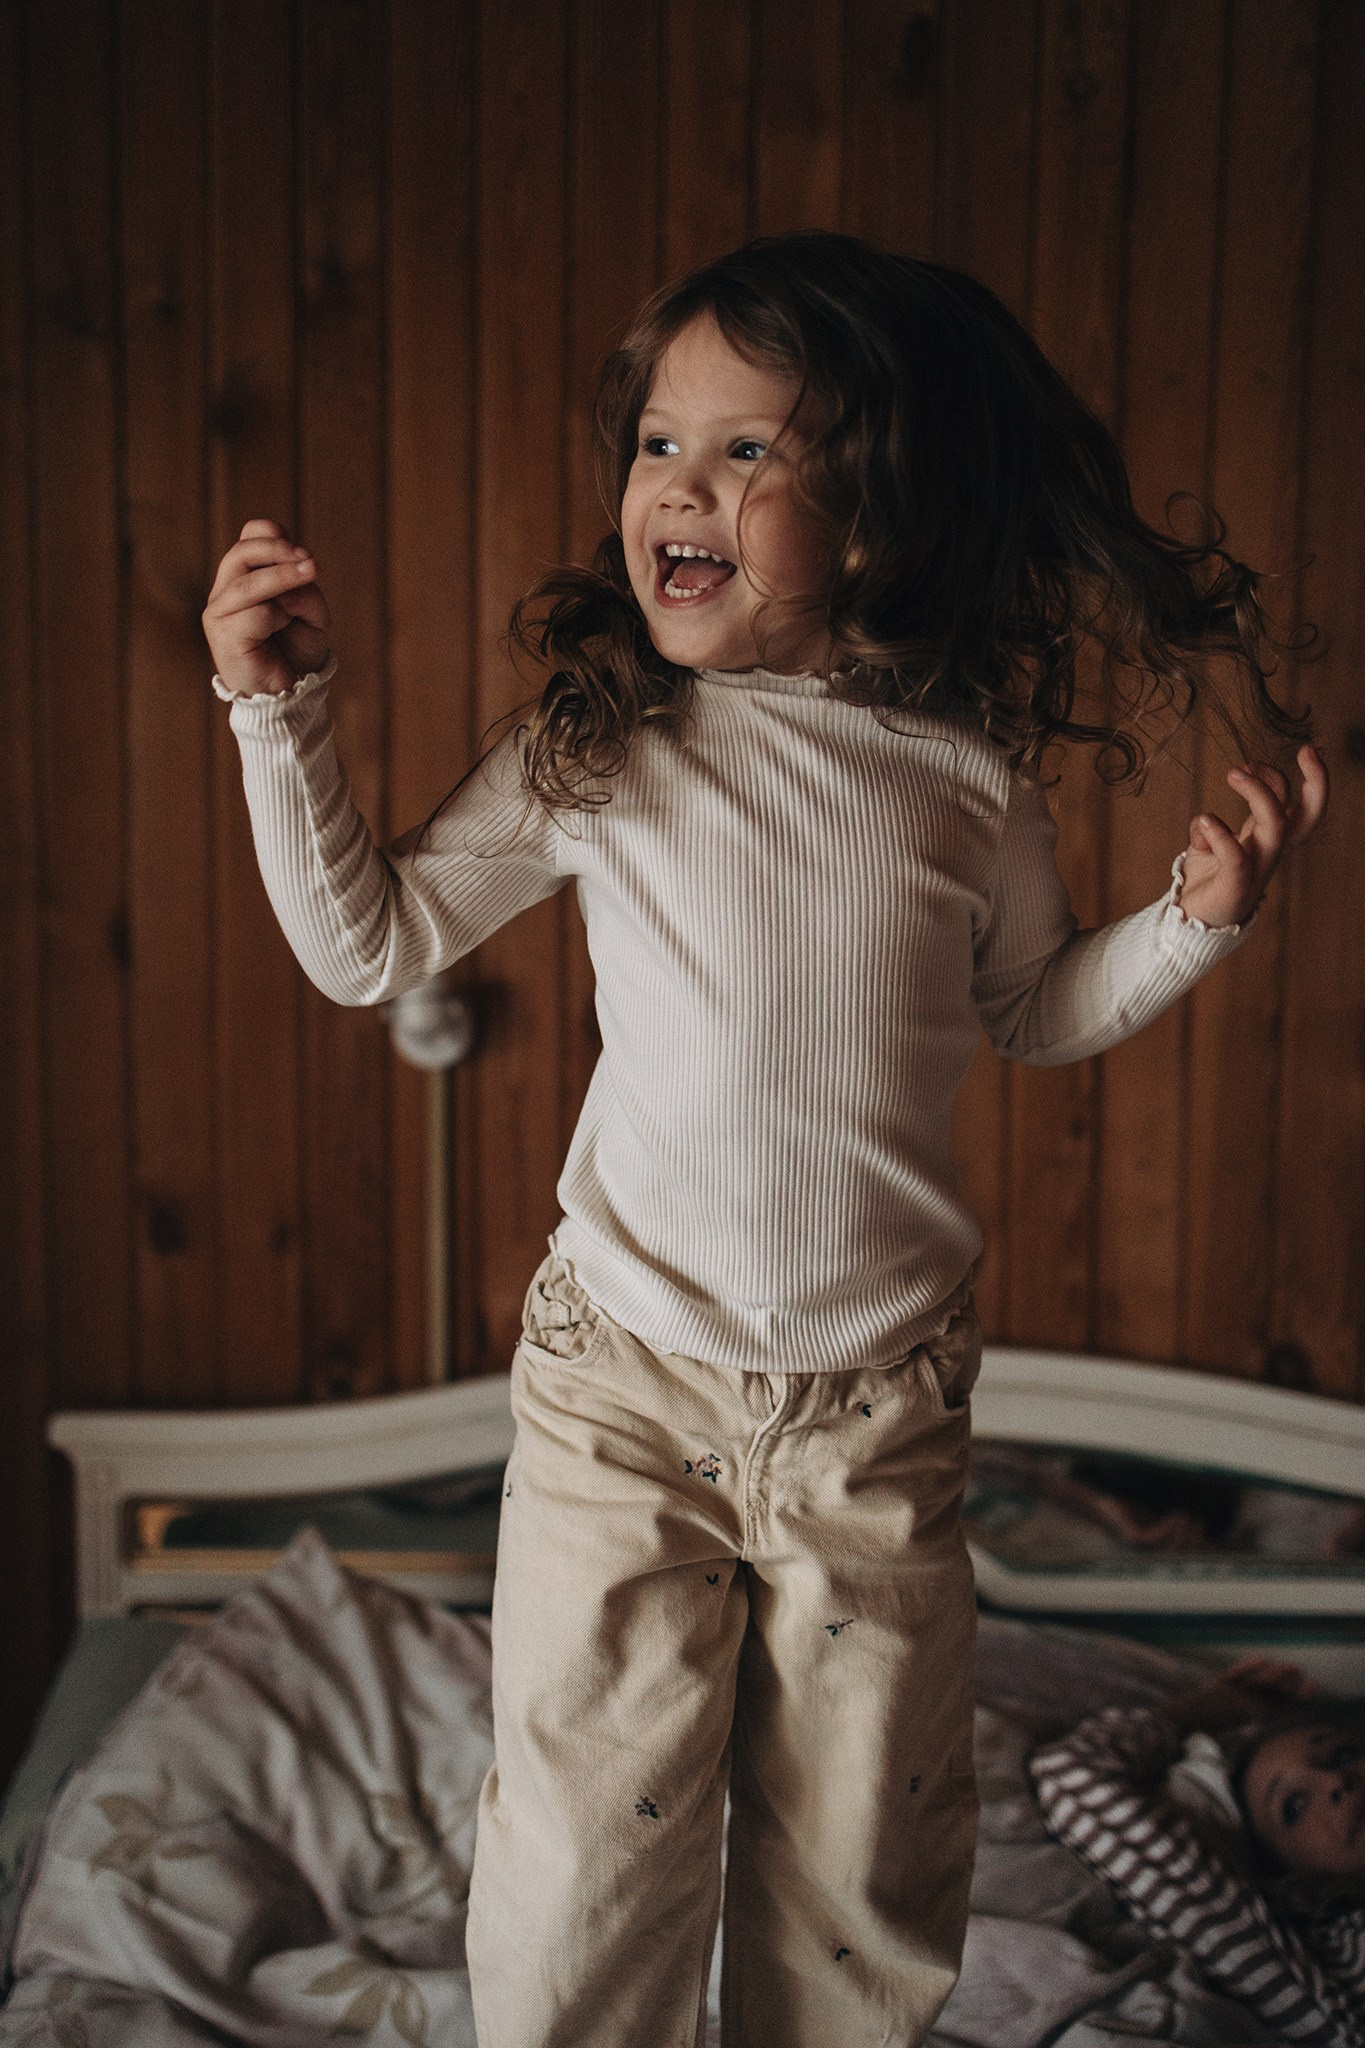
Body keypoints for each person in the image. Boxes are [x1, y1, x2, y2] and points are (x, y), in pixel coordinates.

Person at [201, 231, 1329, 2047]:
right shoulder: (598, 745)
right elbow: (369, 946)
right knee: (585, 1862)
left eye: (745, 452)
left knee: (862, 1878)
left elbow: (1033, 1009)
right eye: (659, 443)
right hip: (624, 1386)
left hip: (876, 1408)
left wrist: (1190, 925)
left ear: (871, 517)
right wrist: (279, 715)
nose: (678, 485)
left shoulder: (964, 781)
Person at [1029, 1655, 1365, 2045]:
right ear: (1289, 1871)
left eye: (1342, 1755)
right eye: (1294, 1806)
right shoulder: (1304, 1966)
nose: (1335, 1782)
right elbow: (1073, 1776)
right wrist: (1205, 1709)